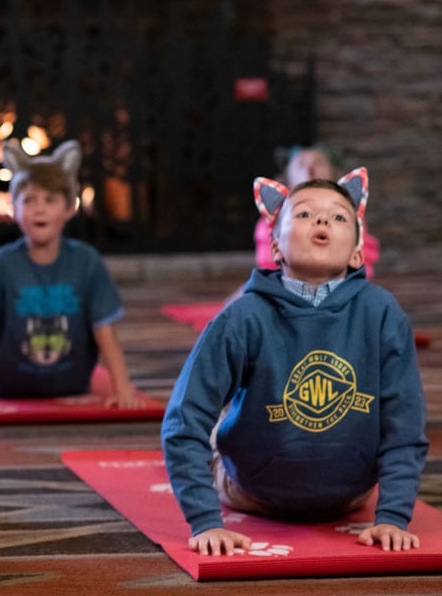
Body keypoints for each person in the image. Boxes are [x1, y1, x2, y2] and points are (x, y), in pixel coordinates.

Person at [162, 168, 427, 555]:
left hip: (349, 497)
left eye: (339, 216)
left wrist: (392, 516)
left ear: (357, 251)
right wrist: (205, 522)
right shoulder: (242, 316)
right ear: (275, 247)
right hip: (251, 489)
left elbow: (406, 424)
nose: (321, 219)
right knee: (217, 419)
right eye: (303, 213)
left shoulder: (383, 314)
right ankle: (227, 435)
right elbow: (183, 418)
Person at [0, 139, 148, 414]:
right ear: (14, 209)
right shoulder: (0, 265)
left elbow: (104, 328)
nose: (39, 209)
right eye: (29, 200)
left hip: (70, 383)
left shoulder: (87, 262)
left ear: (69, 208)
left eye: (50, 200)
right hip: (4, 381)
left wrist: (123, 389)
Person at [255, 144, 380, 276]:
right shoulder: (274, 216)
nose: (310, 169)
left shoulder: (350, 212)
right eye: (300, 164)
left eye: (319, 163)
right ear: (288, 177)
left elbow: (362, 269)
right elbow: (268, 270)